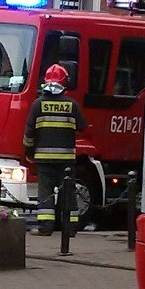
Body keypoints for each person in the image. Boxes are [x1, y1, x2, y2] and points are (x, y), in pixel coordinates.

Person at [23, 64, 87, 236]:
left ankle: (45, 228)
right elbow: (83, 126)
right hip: (66, 159)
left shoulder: (38, 105)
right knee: (68, 193)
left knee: (45, 193)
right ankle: (70, 228)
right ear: (65, 83)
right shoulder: (72, 105)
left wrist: (29, 152)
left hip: (44, 159)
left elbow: (29, 134)